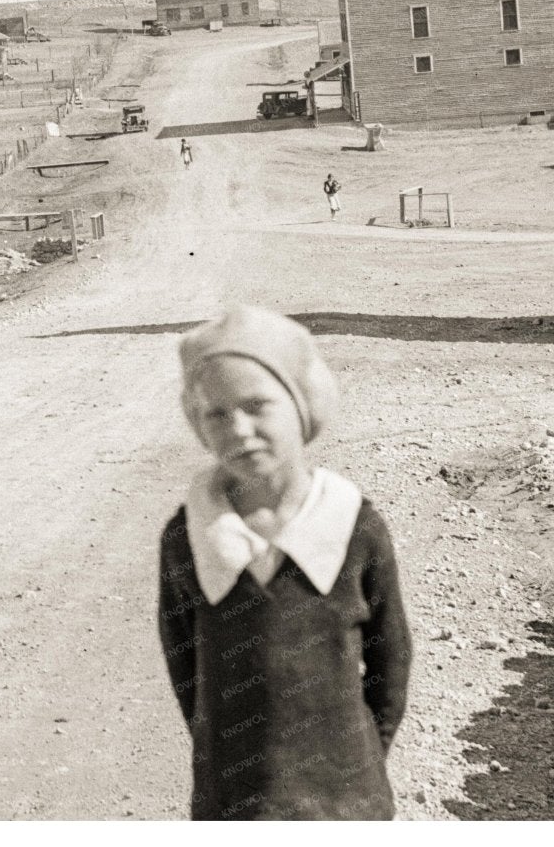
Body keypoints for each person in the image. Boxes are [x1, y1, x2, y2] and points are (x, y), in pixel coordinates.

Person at [158, 305, 412, 820]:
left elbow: (391, 665)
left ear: (301, 405)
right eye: (216, 413)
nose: (239, 429)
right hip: (234, 804)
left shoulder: (353, 527)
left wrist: (357, 765)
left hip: (348, 804)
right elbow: (185, 669)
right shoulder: (189, 537)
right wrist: (224, 763)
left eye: (257, 405)